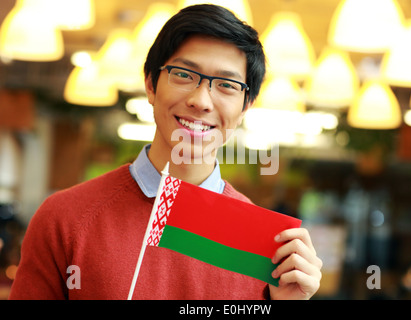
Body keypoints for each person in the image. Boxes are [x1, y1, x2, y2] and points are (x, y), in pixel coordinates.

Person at [9, 4, 322, 300]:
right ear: (150, 84)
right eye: (184, 75)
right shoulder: (63, 218)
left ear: (245, 107)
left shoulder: (263, 248)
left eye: (226, 84)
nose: (201, 100)